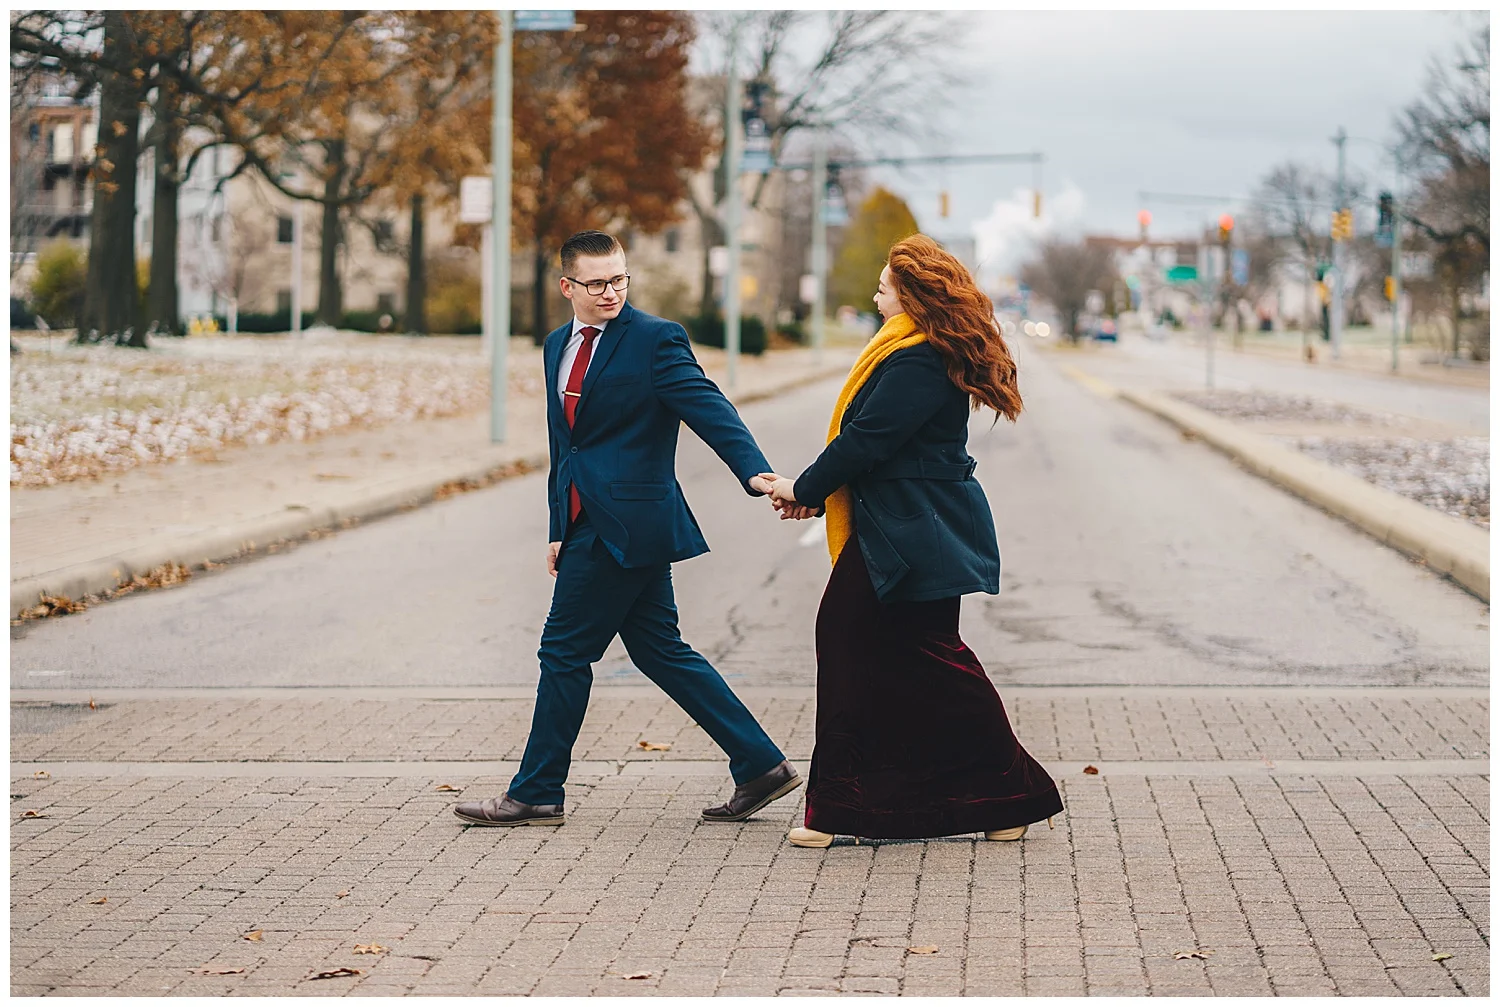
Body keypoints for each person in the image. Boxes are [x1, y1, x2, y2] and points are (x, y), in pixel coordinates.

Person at [454, 230, 801, 828]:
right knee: (660, 650)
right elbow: (566, 446)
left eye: (619, 279)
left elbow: (708, 405)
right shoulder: (557, 344)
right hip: (589, 522)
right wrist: (558, 525)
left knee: (563, 652)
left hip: (627, 522)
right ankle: (760, 764)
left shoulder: (655, 340)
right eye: (596, 283)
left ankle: (536, 790)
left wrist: (755, 473)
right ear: (568, 287)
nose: (610, 291)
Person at [760, 234, 1063, 848]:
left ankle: (845, 808)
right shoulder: (911, 354)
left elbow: (867, 440)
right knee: (910, 657)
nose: (876, 295)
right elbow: (872, 444)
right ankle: (996, 800)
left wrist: (804, 487)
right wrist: (811, 493)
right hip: (902, 528)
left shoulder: (919, 359)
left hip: (913, 535)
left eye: (883, 287)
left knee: (876, 649)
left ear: (911, 296)